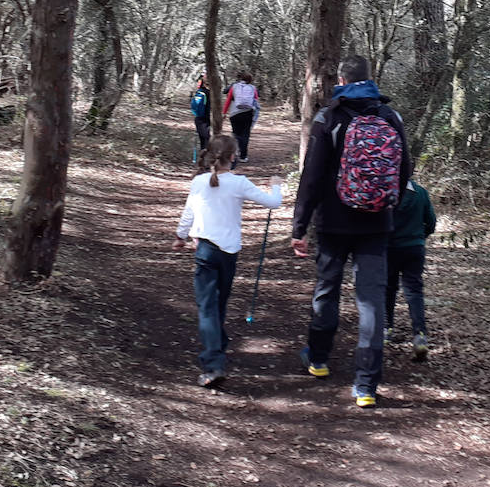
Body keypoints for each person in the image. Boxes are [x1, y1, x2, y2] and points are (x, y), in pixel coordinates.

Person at [290, 54, 411, 408]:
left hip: (333, 223)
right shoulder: (390, 117)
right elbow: (405, 170)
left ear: (341, 79)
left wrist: (300, 226)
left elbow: (311, 177)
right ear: (371, 78)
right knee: (371, 300)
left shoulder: (328, 117)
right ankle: (366, 386)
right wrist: (389, 205)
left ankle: (319, 360)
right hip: (376, 224)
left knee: (327, 288)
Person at [173, 134, 284, 388]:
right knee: (218, 304)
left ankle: (214, 363)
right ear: (233, 157)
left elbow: (188, 213)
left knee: (208, 308)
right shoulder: (239, 183)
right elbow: (274, 203)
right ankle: (217, 350)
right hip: (228, 253)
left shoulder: (200, 181)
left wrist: (180, 237)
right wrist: (276, 184)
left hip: (205, 251)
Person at [385, 179, 437, 361]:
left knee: (388, 289)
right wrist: (420, 237)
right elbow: (431, 222)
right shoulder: (420, 192)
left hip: (390, 249)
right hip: (415, 248)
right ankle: (420, 335)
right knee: (414, 291)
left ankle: (386, 329)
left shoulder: (385, 190)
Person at [223, 71, 260, 163]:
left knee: (236, 134)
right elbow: (255, 100)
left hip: (234, 114)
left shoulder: (234, 86)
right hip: (248, 113)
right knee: (245, 134)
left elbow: (228, 100)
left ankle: (235, 153)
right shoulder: (253, 88)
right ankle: (243, 156)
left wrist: (224, 112)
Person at [189, 75, 211, 151]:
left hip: (198, 117)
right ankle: (206, 157)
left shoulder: (199, 91)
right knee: (206, 139)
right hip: (205, 118)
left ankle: (203, 156)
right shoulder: (208, 93)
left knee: (202, 139)